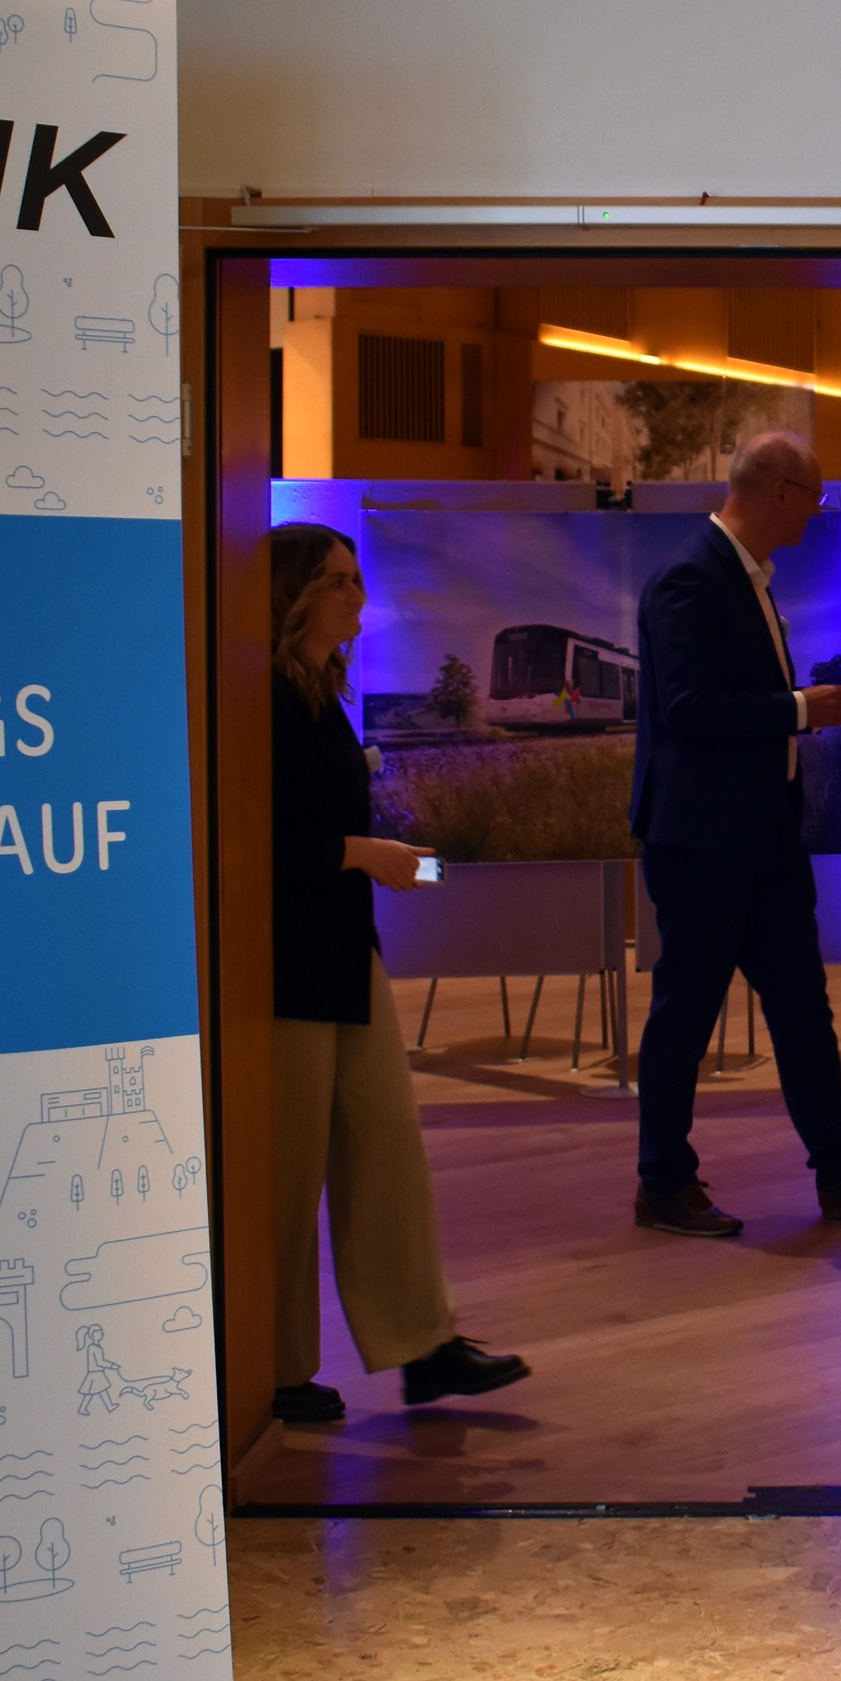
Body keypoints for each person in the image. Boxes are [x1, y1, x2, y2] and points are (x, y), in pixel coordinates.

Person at [627, 431, 841, 1236]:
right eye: (814, 497)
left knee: (801, 1005)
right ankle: (662, 1182)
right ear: (779, 492)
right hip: (703, 843)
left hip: (759, 838)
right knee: (686, 1012)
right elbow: (689, 711)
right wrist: (802, 709)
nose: (816, 512)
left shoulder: (738, 576)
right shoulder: (693, 577)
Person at [267, 522, 527, 1421]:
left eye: (356, 579)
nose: (357, 596)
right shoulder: (265, 699)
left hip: (346, 954)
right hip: (285, 971)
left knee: (387, 1151)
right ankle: (275, 1371)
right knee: (287, 1177)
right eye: (338, 581)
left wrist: (394, 861)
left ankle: (424, 1344)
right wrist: (361, 854)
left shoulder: (318, 697)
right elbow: (252, 846)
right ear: (296, 594)